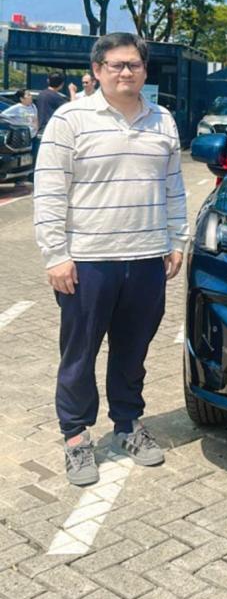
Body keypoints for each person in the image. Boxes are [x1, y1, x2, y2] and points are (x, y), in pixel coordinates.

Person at [33, 32, 188, 486]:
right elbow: (50, 190)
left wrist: (177, 240)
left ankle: (127, 425)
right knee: (79, 353)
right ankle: (76, 435)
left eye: (134, 65)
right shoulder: (70, 119)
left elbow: (174, 187)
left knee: (133, 351)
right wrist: (55, 255)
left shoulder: (162, 120)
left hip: (146, 258)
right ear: (97, 70)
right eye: (116, 65)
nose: (126, 72)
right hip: (87, 262)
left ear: (145, 70)